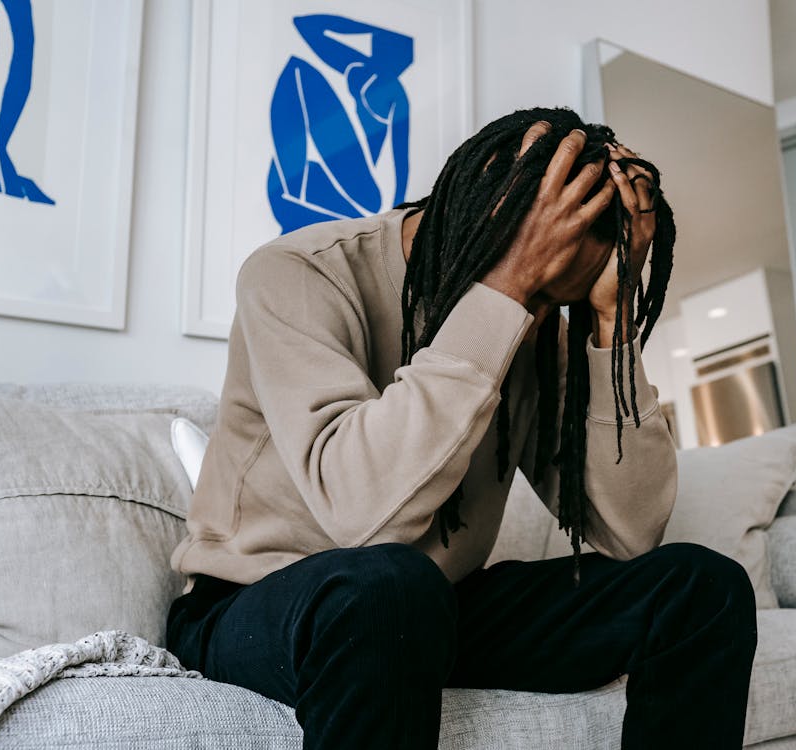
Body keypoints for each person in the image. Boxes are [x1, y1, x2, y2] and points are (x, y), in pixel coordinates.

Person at [166, 107, 758, 749]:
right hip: (260, 605)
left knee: (702, 588)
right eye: (542, 289)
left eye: (561, 301)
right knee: (390, 586)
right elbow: (362, 516)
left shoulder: (535, 326)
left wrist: (610, 326)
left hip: (433, 609)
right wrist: (508, 292)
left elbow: (629, 533)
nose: (543, 314)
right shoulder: (298, 273)